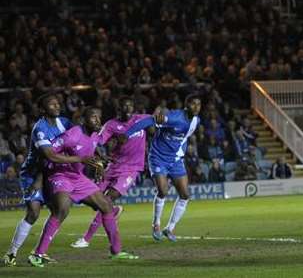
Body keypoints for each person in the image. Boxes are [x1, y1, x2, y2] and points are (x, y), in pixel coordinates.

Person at [28, 107, 139, 267]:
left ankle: (116, 251)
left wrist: (99, 162)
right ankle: (38, 254)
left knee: (106, 205)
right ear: (83, 120)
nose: (98, 121)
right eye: (93, 117)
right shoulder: (72, 134)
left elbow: (91, 150)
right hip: (61, 174)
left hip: (78, 178)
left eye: (99, 117)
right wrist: (40, 178)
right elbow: (49, 154)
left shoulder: (95, 135)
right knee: (62, 209)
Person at [71, 96, 156, 249]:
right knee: (95, 200)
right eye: (125, 106)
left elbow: (157, 120)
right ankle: (114, 211)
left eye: (130, 106)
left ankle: (86, 239)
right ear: (119, 109)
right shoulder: (111, 125)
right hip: (113, 166)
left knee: (107, 199)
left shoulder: (141, 120)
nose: (128, 109)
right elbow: (98, 139)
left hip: (131, 168)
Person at [3, 93, 77, 267]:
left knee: (61, 210)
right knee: (33, 212)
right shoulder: (40, 128)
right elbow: (47, 157)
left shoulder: (65, 123)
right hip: (33, 173)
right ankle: (11, 253)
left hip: (52, 172)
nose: (57, 106)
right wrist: (38, 180)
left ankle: (39, 252)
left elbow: (77, 140)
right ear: (43, 109)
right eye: (52, 104)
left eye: (57, 103)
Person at [126, 94, 201, 243]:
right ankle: (156, 225)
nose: (197, 107)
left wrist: (181, 152)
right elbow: (149, 120)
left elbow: (184, 138)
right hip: (158, 157)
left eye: (199, 104)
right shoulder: (174, 117)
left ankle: (170, 228)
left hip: (175, 160)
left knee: (185, 195)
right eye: (193, 104)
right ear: (186, 105)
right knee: (163, 191)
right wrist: (126, 134)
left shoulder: (196, 121)